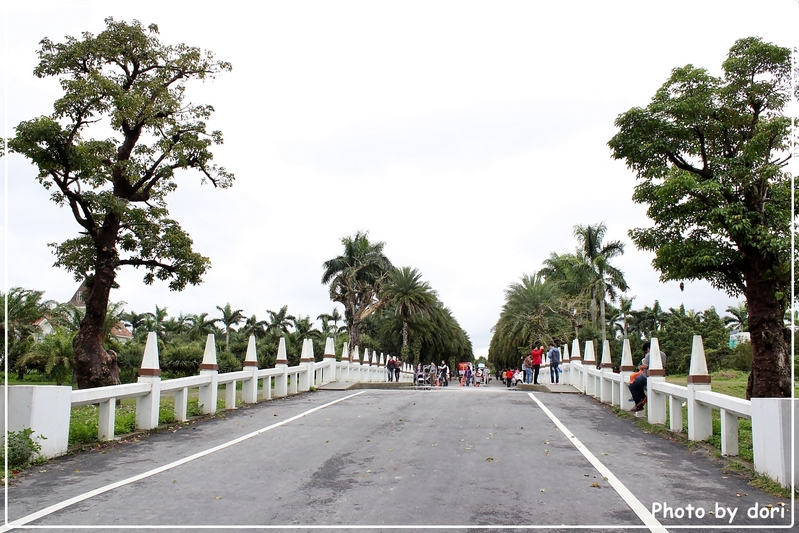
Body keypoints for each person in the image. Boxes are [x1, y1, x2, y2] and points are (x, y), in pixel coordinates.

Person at [629, 341, 666, 412]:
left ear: (648, 349)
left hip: (646, 375)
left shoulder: (649, 354)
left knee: (633, 385)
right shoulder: (663, 354)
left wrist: (640, 366)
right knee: (639, 385)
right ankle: (642, 398)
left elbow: (645, 366)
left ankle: (638, 403)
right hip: (661, 375)